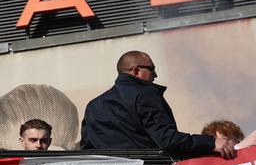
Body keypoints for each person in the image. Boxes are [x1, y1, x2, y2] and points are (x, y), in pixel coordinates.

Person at [80, 51, 233, 158]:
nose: (155, 75)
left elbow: (87, 151)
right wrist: (212, 142)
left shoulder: (93, 106)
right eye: (152, 69)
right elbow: (167, 140)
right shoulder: (145, 93)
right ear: (136, 70)